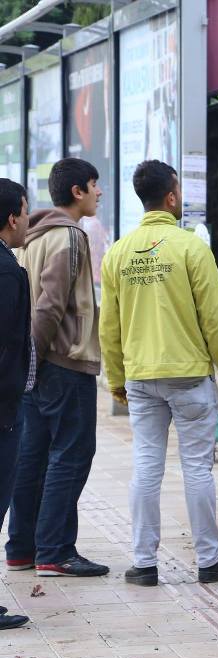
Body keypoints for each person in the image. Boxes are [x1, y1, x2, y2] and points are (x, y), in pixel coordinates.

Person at [99, 160, 218, 586]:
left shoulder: (119, 253)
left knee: (146, 467)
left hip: (142, 378)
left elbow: (110, 325)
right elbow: (215, 318)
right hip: (189, 377)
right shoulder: (190, 248)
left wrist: (117, 380)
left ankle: (144, 564)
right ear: (171, 196)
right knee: (197, 469)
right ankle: (208, 561)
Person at [6, 158, 108, 578]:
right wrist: (36, 355)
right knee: (71, 453)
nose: (99, 192)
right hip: (63, 360)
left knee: (33, 456)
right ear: (78, 191)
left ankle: (22, 548)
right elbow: (50, 304)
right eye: (94, 184)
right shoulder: (69, 236)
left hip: (37, 363)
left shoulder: (32, 236)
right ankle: (56, 550)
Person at [0, 179, 33, 629]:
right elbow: (6, 343)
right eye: (26, 211)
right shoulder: (7, 271)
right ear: (11, 218)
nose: (28, 219)